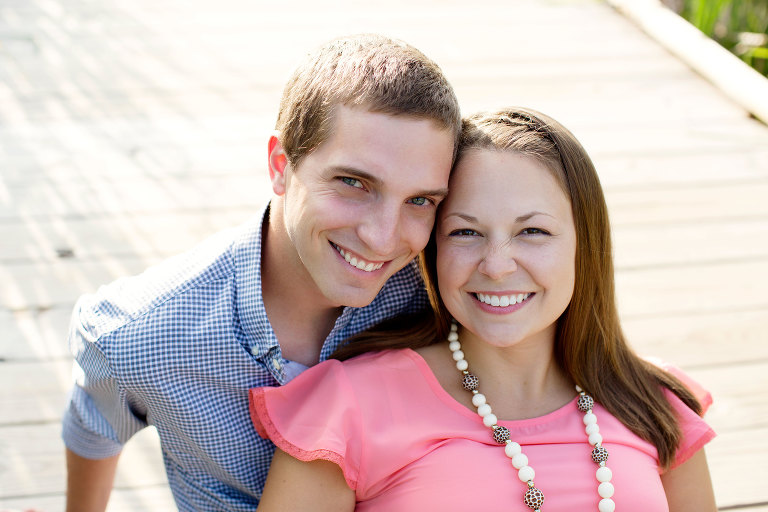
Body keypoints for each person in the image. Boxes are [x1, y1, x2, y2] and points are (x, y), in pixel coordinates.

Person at [61, 34, 461, 511]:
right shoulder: (140, 335)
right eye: (353, 183)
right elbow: (93, 421)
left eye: (420, 200)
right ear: (280, 166)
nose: (382, 237)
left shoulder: (438, 293)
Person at [250, 107, 718, 511]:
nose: (496, 267)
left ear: (585, 245)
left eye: (532, 231)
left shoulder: (655, 401)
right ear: (433, 251)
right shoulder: (347, 407)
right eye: (465, 233)